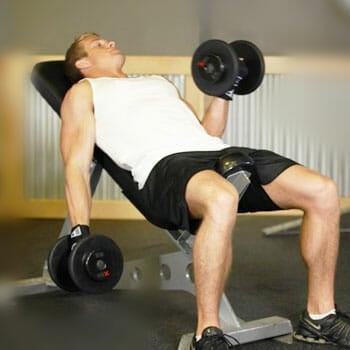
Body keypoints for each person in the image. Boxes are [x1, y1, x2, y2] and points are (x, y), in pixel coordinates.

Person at [61, 32, 350, 349]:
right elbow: (76, 164)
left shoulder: (159, 84)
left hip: (216, 153)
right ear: (83, 63)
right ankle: (207, 333)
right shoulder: (83, 91)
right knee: (222, 196)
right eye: (98, 44)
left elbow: (206, 132)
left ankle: (320, 317)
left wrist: (225, 89)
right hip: (165, 167)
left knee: (322, 191)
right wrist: (79, 230)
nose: (110, 42)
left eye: (107, 40)